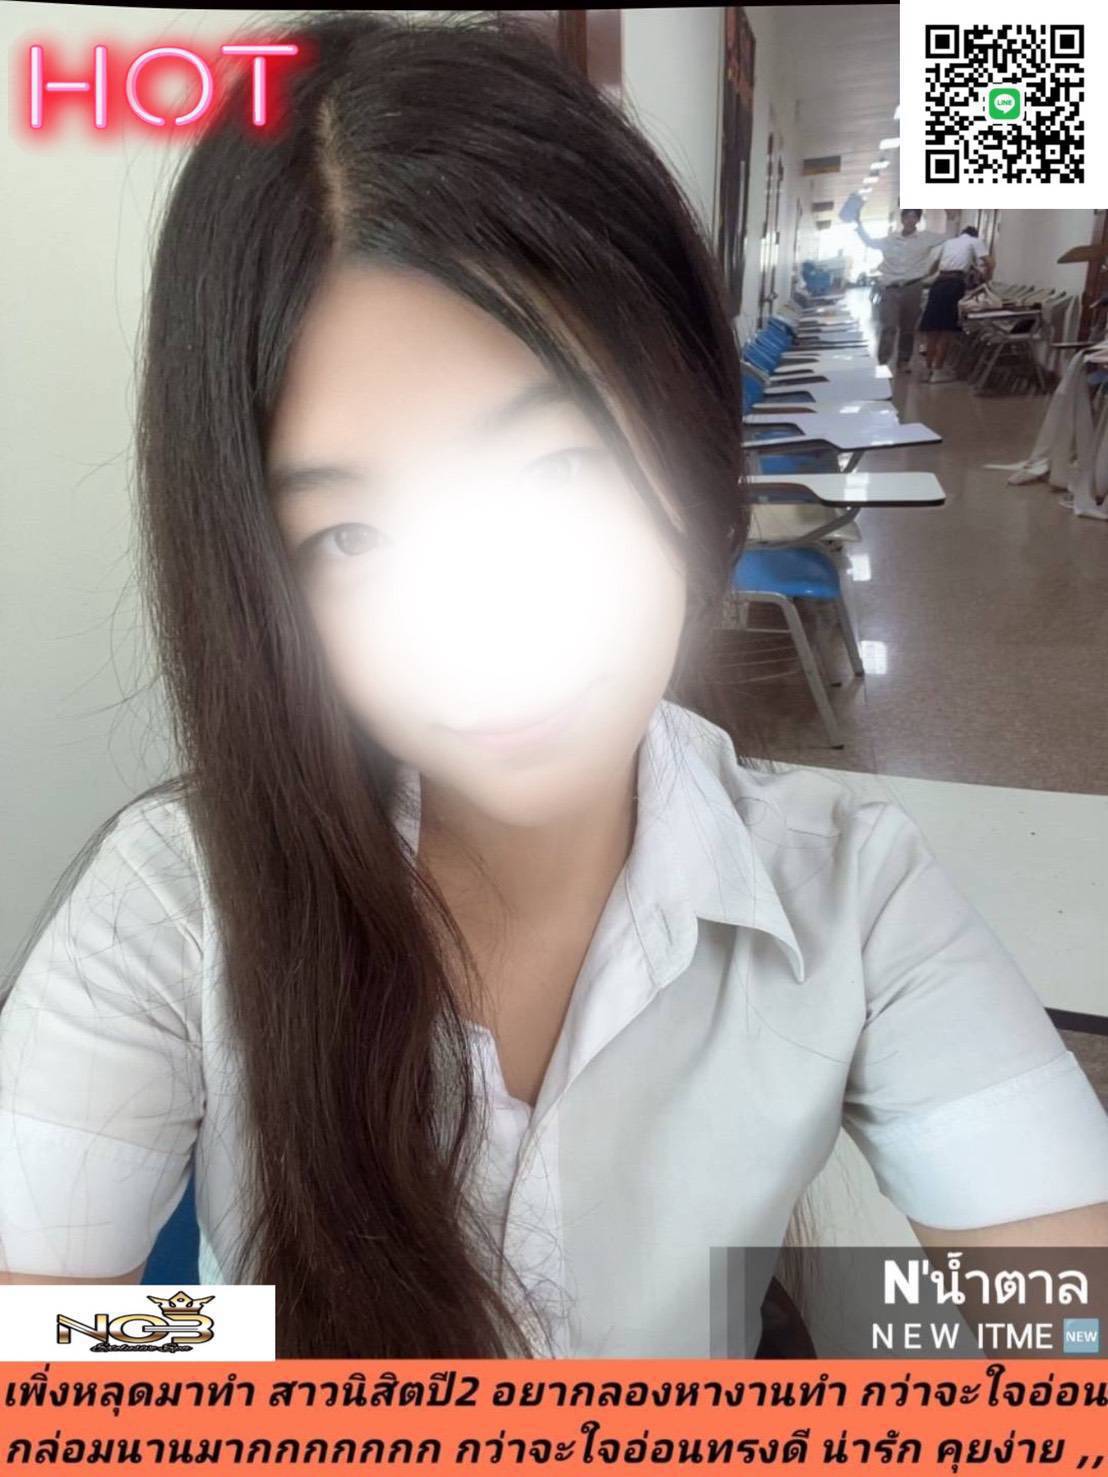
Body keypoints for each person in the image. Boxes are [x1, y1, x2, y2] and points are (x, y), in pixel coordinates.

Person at [2, 11, 1107, 1362]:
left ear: (685, 435)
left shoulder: (849, 896)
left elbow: (1069, 1311)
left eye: (558, 475)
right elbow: (41, 1349)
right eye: (351, 537)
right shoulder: (174, 904)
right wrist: (240, 1356)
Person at [852, 207, 949, 371]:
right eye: (907, 217)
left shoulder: (926, 238)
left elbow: (946, 237)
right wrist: (858, 223)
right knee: (889, 327)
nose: (910, 220)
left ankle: (904, 361)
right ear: (902, 219)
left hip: (913, 287)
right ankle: (883, 361)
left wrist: (952, 217)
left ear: (918, 220)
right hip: (890, 289)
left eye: (914, 217)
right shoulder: (890, 239)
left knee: (908, 328)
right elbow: (869, 242)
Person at [918, 225, 993, 382]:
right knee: (947, 328)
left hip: (938, 284)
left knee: (933, 327)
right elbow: (990, 262)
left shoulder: (949, 242)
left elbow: (934, 266)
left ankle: (927, 369)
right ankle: (938, 371)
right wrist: (987, 280)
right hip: (954, 284)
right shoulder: (975, 241)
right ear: (975, 235)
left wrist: (924, 278)